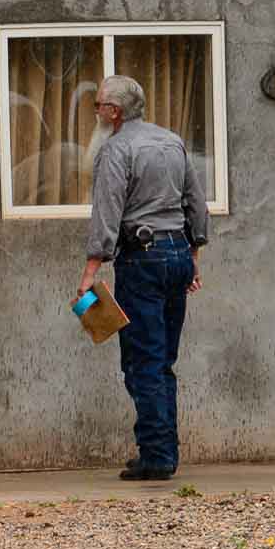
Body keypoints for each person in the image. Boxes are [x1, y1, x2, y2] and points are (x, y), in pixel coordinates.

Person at [74, 74, 208, 481]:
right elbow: (195, 202)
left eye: (98, 105)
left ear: (113, 112)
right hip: (178, 253)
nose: (96, 111)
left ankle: (158, 457)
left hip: (142, 259)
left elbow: (107, 211)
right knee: (163, 360)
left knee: (143, 363)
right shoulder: (171, 140)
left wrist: (91, 271)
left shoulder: (116, 149)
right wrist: (193, 257)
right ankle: (161, 449)